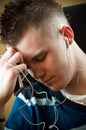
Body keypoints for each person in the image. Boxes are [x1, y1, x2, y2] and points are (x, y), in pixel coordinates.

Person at [0, 0, 86, 129]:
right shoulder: (30, 105)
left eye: (39, 58)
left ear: (67, 35)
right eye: (26, 67)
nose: (36, 75)